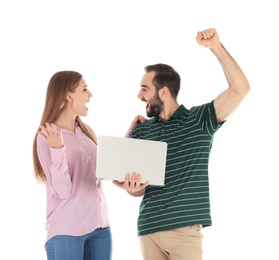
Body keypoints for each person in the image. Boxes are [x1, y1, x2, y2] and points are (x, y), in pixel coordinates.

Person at [113, 28, 250, 260]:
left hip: (183, 231)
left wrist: (216, 47)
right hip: (148, 228)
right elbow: (138, 189)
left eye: (144, 88)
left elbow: (240, 89)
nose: (139, 95)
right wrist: (133, 189)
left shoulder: (199, 119)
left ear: (164, 91)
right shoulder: (142, 130)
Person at [32, 71, 112, 260]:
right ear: (69, 96)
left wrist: (131, 133)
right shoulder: (46, 136)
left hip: (100, 229)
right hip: (67, 231)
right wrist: (58, 149)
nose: (90, 95)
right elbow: (62, 190)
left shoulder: (85, 132)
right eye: (84, 89)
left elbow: (105, 170)